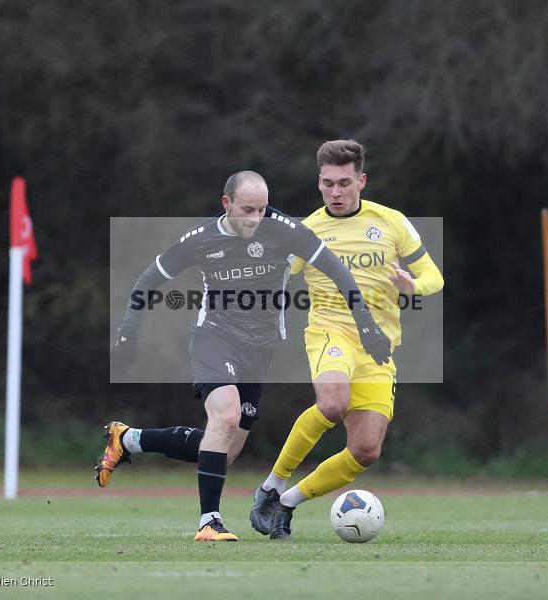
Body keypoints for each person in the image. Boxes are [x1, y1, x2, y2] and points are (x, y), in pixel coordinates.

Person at [99, 170, 391, 541]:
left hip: (260, 350)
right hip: (214, 338)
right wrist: (129, 330)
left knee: (221, 448)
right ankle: (209, 522)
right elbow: (148, 280)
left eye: (262, 209)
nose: (256, 219)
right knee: (227, 414)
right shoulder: (202, 239)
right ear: (227, 204)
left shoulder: (284, 230)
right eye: (247, 210)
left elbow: (336, 269)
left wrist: (365, 322)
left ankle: (128, 439)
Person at [249, 140, 444, 540]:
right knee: (333, 403)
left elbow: (434, 277)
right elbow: (277, 275)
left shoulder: (391, 222)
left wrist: (412, 286)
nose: (335, 193)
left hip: (379, 348)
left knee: (366, 451)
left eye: (343, 183)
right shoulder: (308, 231)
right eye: (326, 184)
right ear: (318, 183)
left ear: (362, 181)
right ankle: (272, 485)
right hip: (329, 333)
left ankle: (288, 504)